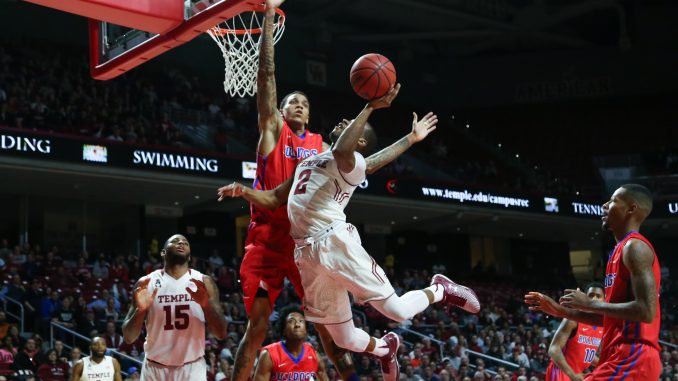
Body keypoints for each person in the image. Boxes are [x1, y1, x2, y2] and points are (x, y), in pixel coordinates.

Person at [219, 87, 480, 381]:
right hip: (305, 253)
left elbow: (353, 153)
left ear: (361, 140)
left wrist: (372, 108)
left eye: (351, 125)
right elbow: (275, 197)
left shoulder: (350, 162)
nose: (343, 121)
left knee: (397, 311)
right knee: (343, 339)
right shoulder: (311, 160)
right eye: (344, 122)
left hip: (334, 242)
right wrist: (246, 192)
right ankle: (384, 349)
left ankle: (440, 290)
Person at [525, 184, 661, 380]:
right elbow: (610, 318)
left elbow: (646, 311)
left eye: (613, 201)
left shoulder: (635, 247)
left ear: (631, 209)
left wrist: (591, 304)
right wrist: (559, 310)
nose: (605, 205)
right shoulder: (619, 251)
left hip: (632, 356)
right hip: (619, 356)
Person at [121, 234, 228, 380]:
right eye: (175, 241)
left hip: (192, 368)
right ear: (163, 252)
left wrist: (206, 306)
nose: (181, 243)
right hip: (155, 368)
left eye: (185, 242)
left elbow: (221, 333)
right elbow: (128, 337)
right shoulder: (146, 283)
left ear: (189, 257)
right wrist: (141, 311)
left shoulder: (204, 282)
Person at [539, 283, 605, 381]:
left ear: (604, 300)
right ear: (584, 298)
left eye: (598, 296)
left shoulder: (602, 325)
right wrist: (572, 375)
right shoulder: (573, 319)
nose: (594, 298)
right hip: (561, 371)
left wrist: (605, 364)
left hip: (577, 373)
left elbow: (584, 354)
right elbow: (554, 349)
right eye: (591, 295)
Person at [253, 306, 329, 381]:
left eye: (301, 321)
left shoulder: (314, 356)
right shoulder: (269, 355)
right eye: (291, 321)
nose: (297, 325)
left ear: (306, 330)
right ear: (284, 330)